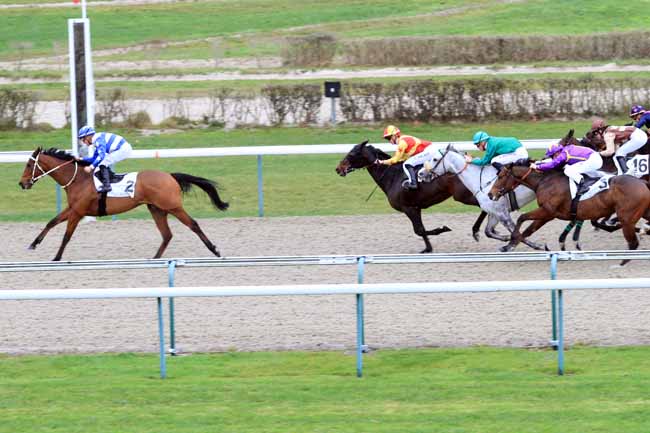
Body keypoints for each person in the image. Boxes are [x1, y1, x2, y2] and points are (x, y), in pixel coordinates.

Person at [532, 139, 603, 206]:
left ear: (557, 152)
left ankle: (583, 185)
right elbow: (553, 161)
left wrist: (537, 167)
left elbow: (553, 164)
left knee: (568, 170)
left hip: (594, 160)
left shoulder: (564, 154)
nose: (553, 158)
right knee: (569, 168)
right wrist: (538, 163)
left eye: (552, 156)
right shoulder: (565, 150)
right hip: (594, 158)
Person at [376, 125, 438, 190]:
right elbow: (403, 158)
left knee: (407, 164)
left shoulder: (402, 143)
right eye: (387, 139)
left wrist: (382, 162)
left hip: (429, 151)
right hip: (430, 150)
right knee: (411, 161)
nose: (389, 140)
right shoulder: (403, 138)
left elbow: (395, 160)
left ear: (395, 135)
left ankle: (413, 183)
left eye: (389, 138)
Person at [77, 125, 133, 192]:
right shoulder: (97, 140)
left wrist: (91, 167)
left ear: (88, 136)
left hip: (123, 149)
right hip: (121, 148)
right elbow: (94, 158)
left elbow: (101, 156)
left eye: (83, 139)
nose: (83, 142)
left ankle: (107, 186)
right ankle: (110, 179)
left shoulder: (98, 140)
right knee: (102, 162)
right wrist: (81, 159)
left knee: (103, 162)